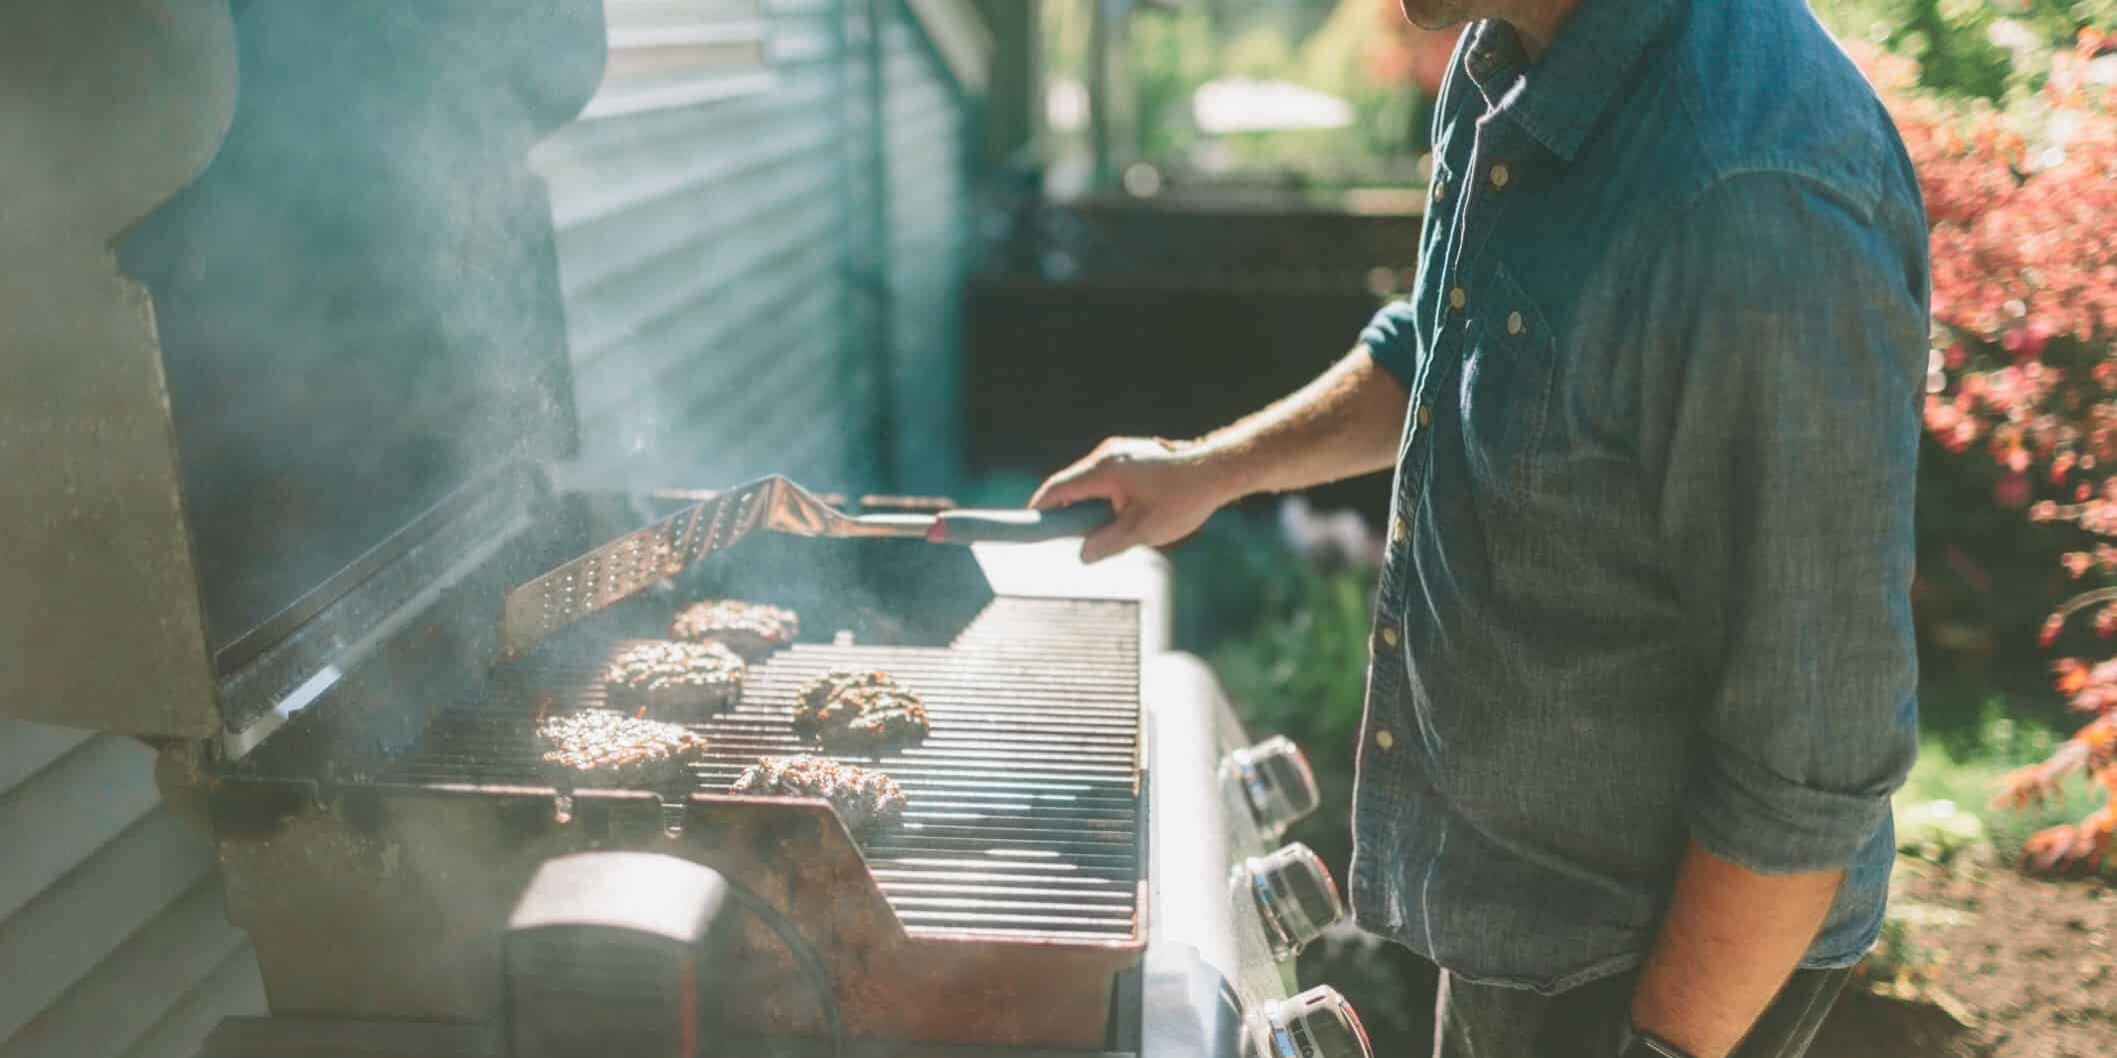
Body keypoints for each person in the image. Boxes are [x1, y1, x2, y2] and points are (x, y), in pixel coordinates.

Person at [1030, 0, 1928, 1055]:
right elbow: (1447, 337)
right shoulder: (1506, 48)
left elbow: (1813, 750)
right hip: (1520, 916)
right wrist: (1209, 470)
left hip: (1661, 969)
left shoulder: (1751, 199)